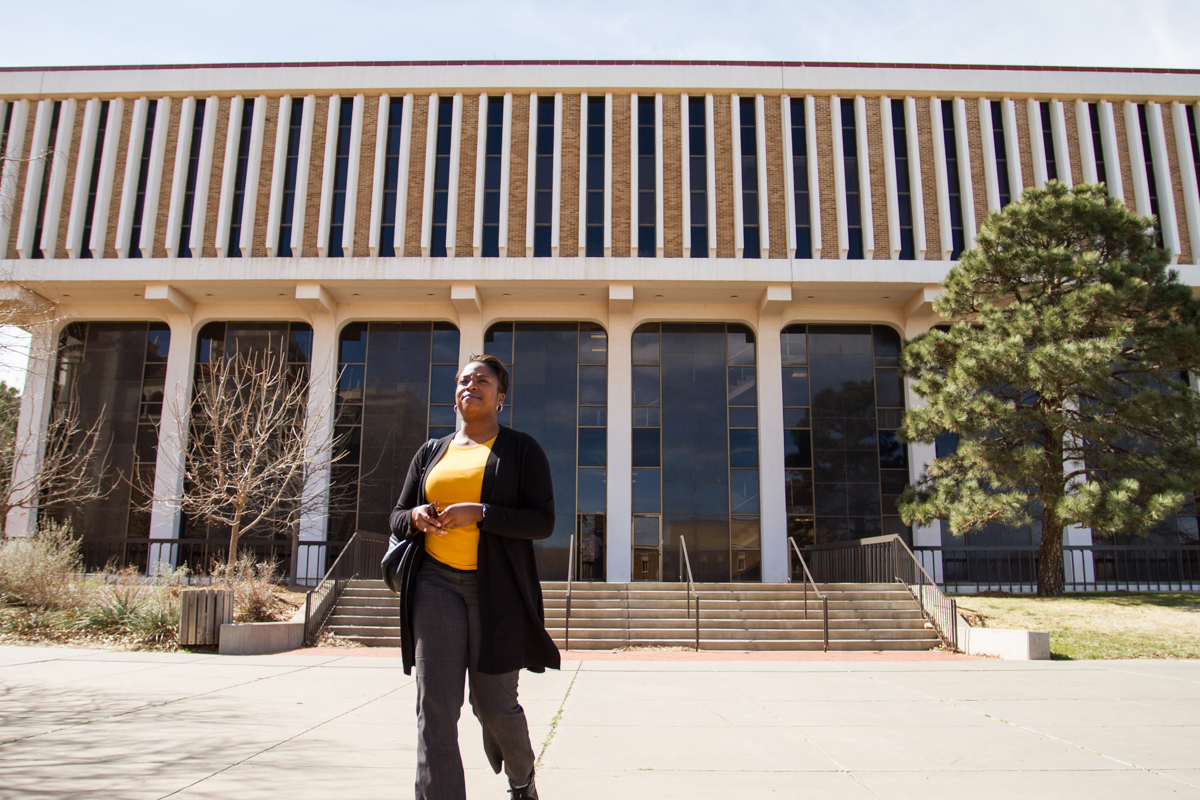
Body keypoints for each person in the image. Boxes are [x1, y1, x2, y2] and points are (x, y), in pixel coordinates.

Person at [389, 353, 559, 800]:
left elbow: (543, 521)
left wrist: (481, 513)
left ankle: (522, 779)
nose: (471, 385)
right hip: (435, 585)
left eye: (482, 381)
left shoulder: (521, 450)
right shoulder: (431, 451)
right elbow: (396, 515)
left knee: (493, 704)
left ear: (500, 397)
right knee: (436, 706)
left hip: (497, 591)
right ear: (455, 395)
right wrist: (417, 517)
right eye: (464, 379)